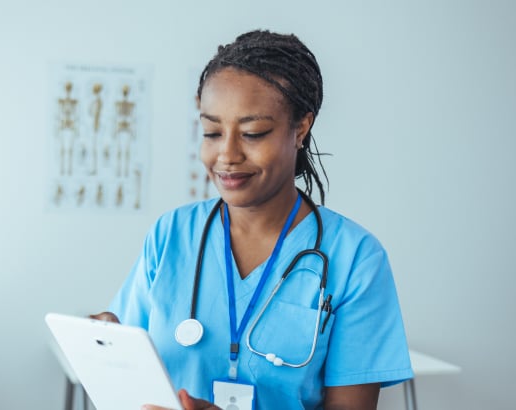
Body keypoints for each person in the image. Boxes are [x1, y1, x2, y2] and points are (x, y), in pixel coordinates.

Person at [91, 29, 413, 410]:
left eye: (252, 133)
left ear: (301, 128)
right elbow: (132, 374)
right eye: (211, 131)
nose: (226, 154)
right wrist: (105, 344)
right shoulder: (171, 235)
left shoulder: (355, 258)